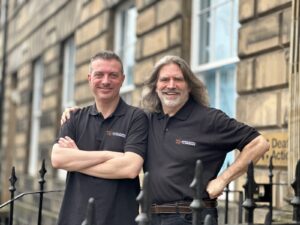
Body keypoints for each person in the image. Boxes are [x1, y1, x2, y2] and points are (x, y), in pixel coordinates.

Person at [61, 55, 269, 225]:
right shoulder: (146, 119)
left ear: (189, 85)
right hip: (149, 217)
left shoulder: (209, 119)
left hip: (191, 216)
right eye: (164, 80)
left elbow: (259, 144)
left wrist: (223, 179)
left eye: (178, 79)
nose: (171, 85)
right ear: (155, 86)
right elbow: (114, 113)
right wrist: (78, 113)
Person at [51, 50, 148, 225]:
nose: (105, 81)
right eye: (99, 75)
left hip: (120, 218)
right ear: (89, 79)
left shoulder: (136, 118)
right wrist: (109, 155)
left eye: (113, 75)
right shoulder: (73, 117)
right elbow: (58, 159)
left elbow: (130, 168)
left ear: (123, 79)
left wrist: (77, 158)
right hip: (75, 217)